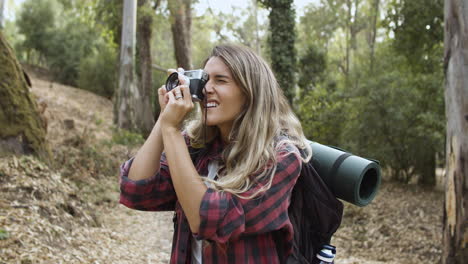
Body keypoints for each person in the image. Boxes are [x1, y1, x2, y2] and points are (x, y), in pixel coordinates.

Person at [119, 44, 312, 264]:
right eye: (205, 80)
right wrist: (165, 119)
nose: (207, 89)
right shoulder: (197, 146)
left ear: (251, 92)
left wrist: (172, 130)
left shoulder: (280, 157)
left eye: (220, 80)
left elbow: (210, 221)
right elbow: (135, 190)